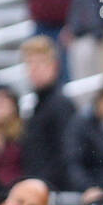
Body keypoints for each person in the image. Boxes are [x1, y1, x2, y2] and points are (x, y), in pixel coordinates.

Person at [20, 36, 76, 194]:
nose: (34, 69)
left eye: (41, 63)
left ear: (55, 66)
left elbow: (66, 155)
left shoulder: (60, 105)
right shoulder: (38, 105)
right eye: (30, 63)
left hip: (53, 193)